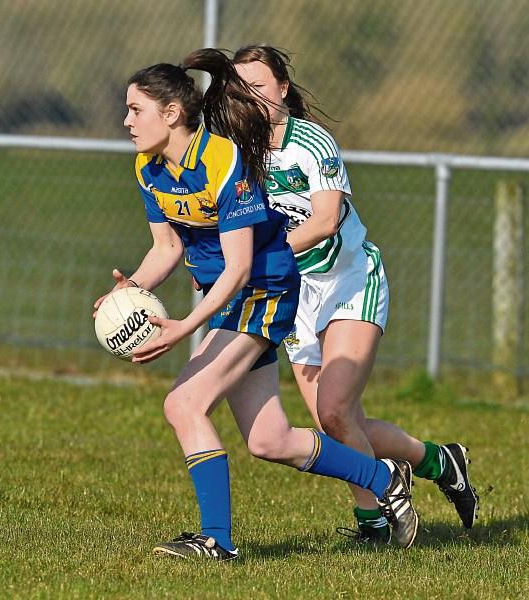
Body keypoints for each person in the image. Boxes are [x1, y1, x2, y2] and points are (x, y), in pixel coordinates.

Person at [93, 48, 417, 561]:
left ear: (171, 113)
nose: (127, 121)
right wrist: (127, 288)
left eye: (136, 109)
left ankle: (217, 541)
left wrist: (184, 328)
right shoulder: (148, 169)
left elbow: (241, 266)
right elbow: (167, 248)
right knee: (269, 439)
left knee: (183, 404)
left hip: (263, 290)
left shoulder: (221, 160)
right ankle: (384, 476)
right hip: (229, 295)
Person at [232, 45, 479, 543]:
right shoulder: (236, 151)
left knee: (336, 410)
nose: (252, 98)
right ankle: (438, 460)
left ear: (283, 88)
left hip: (349, 283)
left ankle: (376, 525)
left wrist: (260, 257)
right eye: (242, 90)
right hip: (296, 297)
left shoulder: (313, 144)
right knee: (340, 426)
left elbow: (324, 221)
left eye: (260, 86)